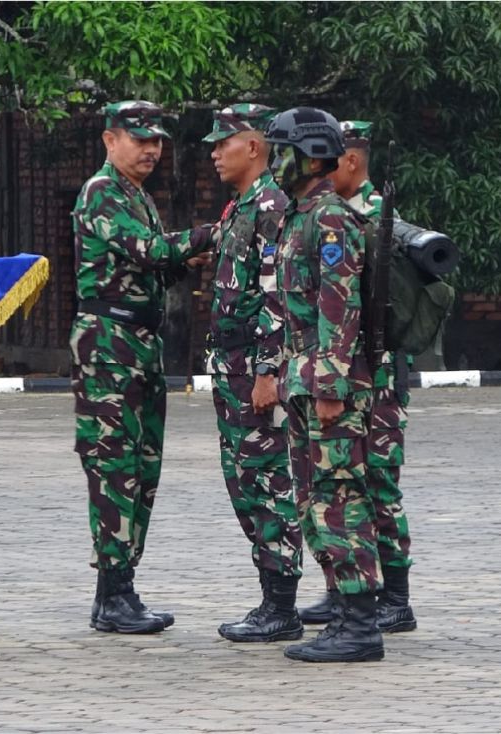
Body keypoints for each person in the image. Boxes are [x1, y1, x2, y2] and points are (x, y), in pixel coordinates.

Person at [71, 100, 216, 634]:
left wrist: (187, 257)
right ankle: (112, 594)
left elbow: (158, 261)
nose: (152, 149)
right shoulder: (102, 191)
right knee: (113, 465)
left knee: (142, 466)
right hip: (108, 344)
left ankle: (121, 588)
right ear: (111, 141)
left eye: (157, 140)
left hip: (141, 343)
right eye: (140, 139)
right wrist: (209, 235)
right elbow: (149, 251)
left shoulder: (138, 196)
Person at [263, 107, 384, 662]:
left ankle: (361, 625)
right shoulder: (299, 214)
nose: (271, 161)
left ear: (308, 156)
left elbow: (340, 308)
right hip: (305, 383)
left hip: (327, 387)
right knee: (315, 499)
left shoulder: (330, 218)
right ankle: (342, 611)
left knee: (340, 498)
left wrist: (331, 385)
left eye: (278, 151)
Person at [302, 120, 417, 633]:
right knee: (338, 485)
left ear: (351, 160)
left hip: (380, 377)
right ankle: (342, 587)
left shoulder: (380, 220)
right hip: (349, 372)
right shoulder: (331, 214)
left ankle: (395, 595)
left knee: (376, 482)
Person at [201, 104, 305, 643]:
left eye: (224, 143)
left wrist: (268, 371)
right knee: (243, 479)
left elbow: (277, 296)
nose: (216, 153)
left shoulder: (271, 207)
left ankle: (281, 605)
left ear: (255, 147)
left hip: (254, 369)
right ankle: (271, 598)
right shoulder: (239, 207)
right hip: (231, 366)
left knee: (266, 480)